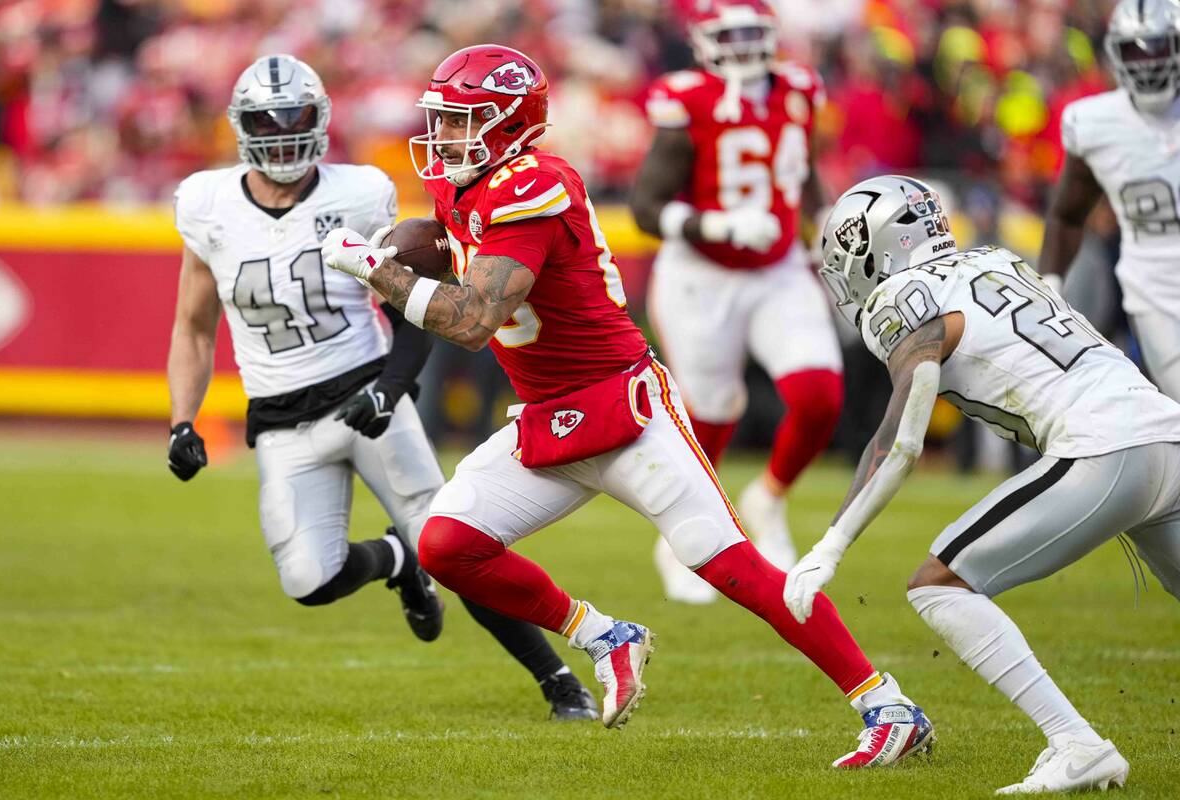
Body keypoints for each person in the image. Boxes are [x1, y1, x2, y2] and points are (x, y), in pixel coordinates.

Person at [321, 44, 934, 767]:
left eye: (463, 122)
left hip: (626, 412)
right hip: (549, 419)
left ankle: (887, 704)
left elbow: (472, 320)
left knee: (734, 567)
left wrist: (378, 268)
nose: (446, 137)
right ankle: (605, 636)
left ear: (512, 125)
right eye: (444, 121)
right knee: (448, 546)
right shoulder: (465, 189)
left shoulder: (533, 184)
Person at [166, 53, 597, 721]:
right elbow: (193, 327)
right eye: (267, 122)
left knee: (451, 543)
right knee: (309, 580)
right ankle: (399, 563)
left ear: (321, 122)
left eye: (296, 119)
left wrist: (392, 388)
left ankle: (559, 680)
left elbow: (418, 302)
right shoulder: (206, 202)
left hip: (366, 392)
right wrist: (181, 421)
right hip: (280, 418)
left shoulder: (360, 193)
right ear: (241, 127)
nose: (282, 134)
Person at [790, 174, 1180, 793]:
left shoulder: (902, 298)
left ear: (877, 249)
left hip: (1104, 448)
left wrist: (828, 547)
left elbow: (902, 439)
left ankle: (1075, 743)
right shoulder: (994, 258)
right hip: (1165, 431)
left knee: (939, 586)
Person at [630, 0, 844, 602]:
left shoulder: (799, 87)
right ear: (703, 40)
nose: (747, 45)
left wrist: (823, 219)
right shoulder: (687, 99)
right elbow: (646, 207)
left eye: (756, 32)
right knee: (713, 412)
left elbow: (798, 168)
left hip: (779, 268)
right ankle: (683, 537)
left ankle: (768, 499)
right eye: (734, 34)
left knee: (819, 395)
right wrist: (717, 228)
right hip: (702, 276)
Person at [1041, 0, 1180, 400]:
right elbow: (1067, 215)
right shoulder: (1096, 125)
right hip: (1154, 290)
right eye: (1137, 51)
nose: (1149, 63)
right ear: (1116, 55)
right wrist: (1050, 289)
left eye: (1158, 48)